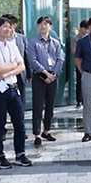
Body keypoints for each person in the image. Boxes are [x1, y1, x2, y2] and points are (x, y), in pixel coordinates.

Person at [0, 17, 32, 167]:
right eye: (4, 27)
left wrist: (7, 72)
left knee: (19, 123)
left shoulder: (12, 46)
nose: (8, 29)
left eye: (10, 27)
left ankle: (20, 154)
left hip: (13, 87)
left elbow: (22, 66)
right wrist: (12, 66)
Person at [26, 16, 63, 147]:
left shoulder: (56, 43)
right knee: (38, 106)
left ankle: (46, 131)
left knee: (50, 105)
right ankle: (36, 133)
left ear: (50, 26)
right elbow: (32, 60)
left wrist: (54, 74)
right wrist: (46, 73)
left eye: (46, 24)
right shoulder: (33, 42)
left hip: (53, 77)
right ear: (38, 26)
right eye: (40, 24)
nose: (43, 26)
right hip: (39, 76)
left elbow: (60, 59)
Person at [70, 20, 88, 108]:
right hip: (80, 62)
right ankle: (79, 100)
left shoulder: (90, 37)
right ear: (81, 28)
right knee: (79, 81)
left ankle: (86, 100)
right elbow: (73, 50)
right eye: (85, 28)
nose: (86, 30)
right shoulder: (76, 38)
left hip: (88, 62)